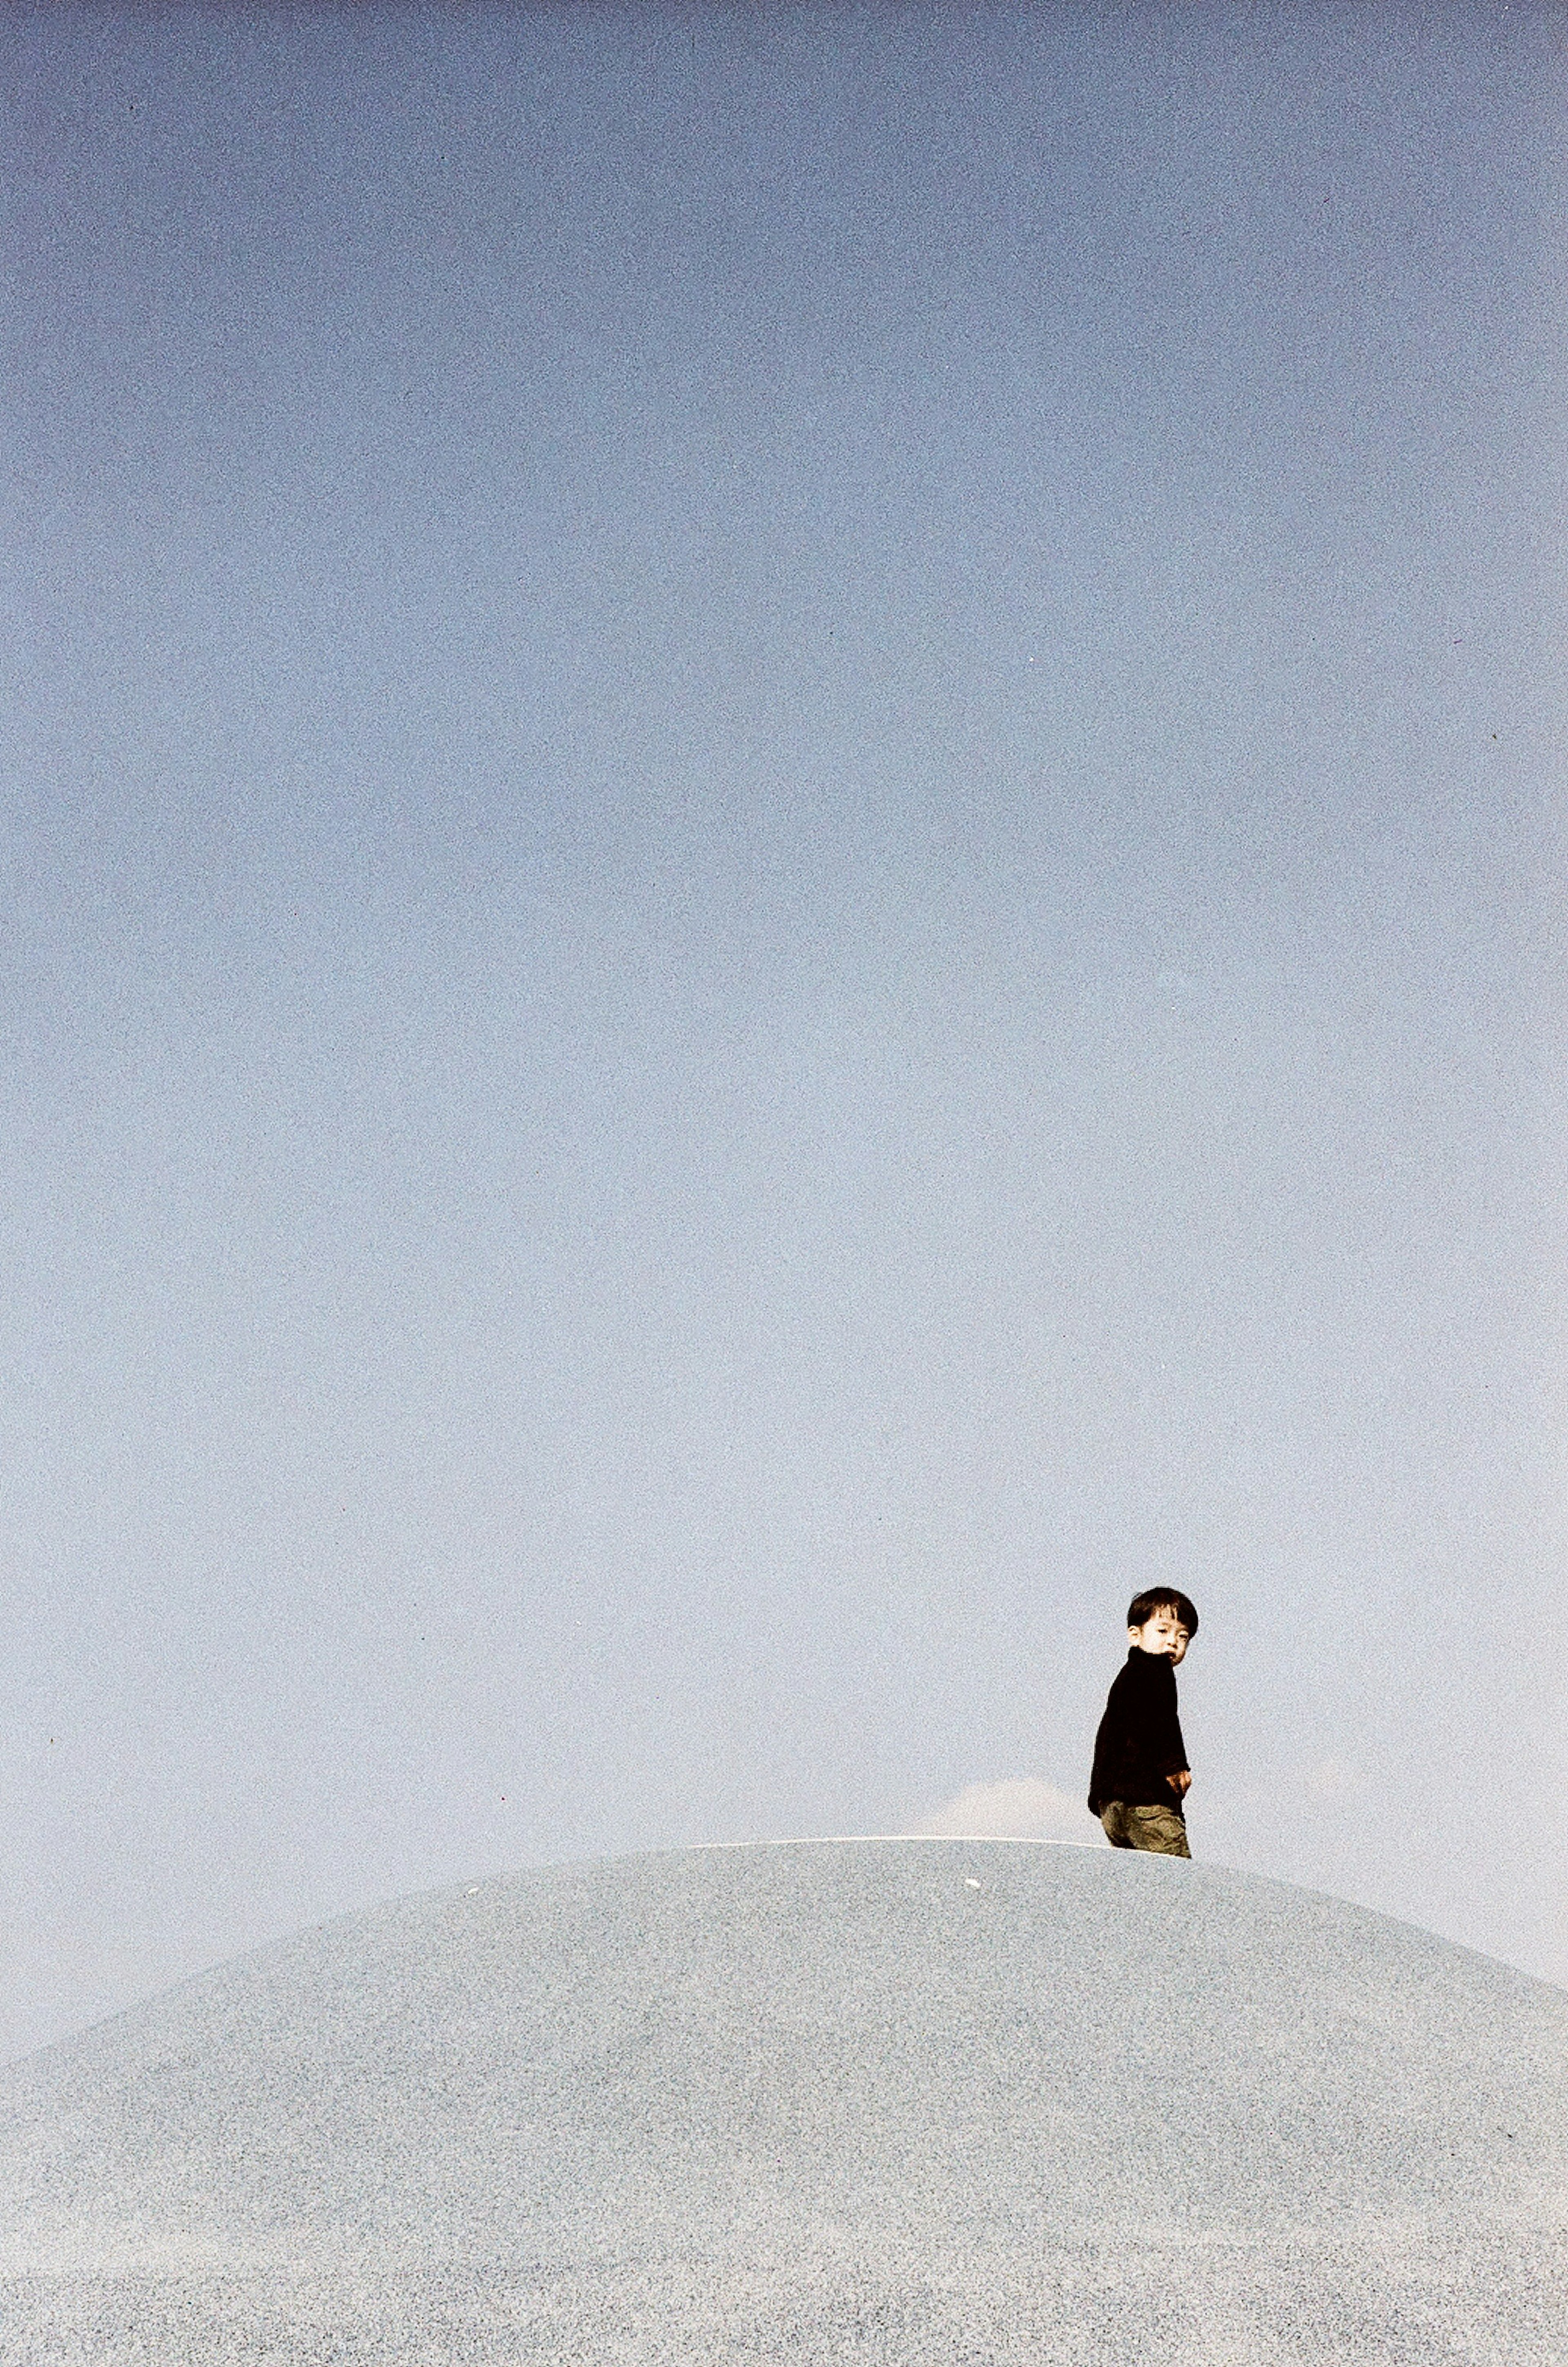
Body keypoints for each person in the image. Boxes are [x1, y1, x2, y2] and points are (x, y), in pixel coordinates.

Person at [1087, 1590, 1198, 1857]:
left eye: (1183, 1637)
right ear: (1135, 1636)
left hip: (1113, 1806)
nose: (1173, 1642)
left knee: (1139, 1880)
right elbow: (1153, 1721)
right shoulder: (1153, 1672)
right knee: (1175, 1874)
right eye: (1163, 1631)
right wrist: (1173, 1765)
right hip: (1145, 1801)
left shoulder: (1129, 1677)